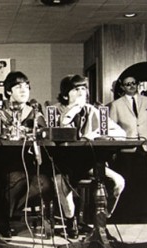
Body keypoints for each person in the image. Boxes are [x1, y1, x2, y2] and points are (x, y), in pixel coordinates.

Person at [54, 74, 126, 238]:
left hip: (90, 163)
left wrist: (96, 134)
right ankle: (70, 220)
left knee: (119, 182)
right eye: (76, 89)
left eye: (83, 89)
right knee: (59, 183)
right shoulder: (56, 110)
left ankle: (99, 222)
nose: (81, 92)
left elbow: (120, 132)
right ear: (66, 95)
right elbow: (60, 129)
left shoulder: (93, 110)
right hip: (64, 163)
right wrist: (73, 110)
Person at [0, 71, 52, 237]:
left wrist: (34, 132)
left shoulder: (35, 110)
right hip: (5, 162)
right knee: (17, 179)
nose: (24, 90)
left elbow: (44, 134)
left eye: (26, 86)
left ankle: (7, 212)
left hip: (30, 162)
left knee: (44, 183)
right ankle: (4, 219)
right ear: (9, 91)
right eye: (18, 86)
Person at [108, 74, 147, 220]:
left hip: (145, 146)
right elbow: (113, 126)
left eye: (133, 83)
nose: (131, 86)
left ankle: (144, 212)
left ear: (138, 84)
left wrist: (143, 133)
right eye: (127, 84)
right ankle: (127, 213)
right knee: (127, 180)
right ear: (123, 87)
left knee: (145, 180)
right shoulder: (117, 104)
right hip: (126, 149)